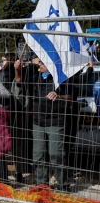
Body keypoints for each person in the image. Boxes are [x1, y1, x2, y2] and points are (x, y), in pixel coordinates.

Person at [15, 57, 74, 191]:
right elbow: (19, 81)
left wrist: (59, 96)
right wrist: (17, 69)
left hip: (55, 122)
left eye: (42, 62)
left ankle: (63, 185)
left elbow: (70, 97)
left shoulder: (61, 79)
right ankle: (42, 184)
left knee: (56, 155)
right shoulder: (36, 78)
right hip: (38, 123)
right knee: (38, 154)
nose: (39, 65)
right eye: (39, 62)